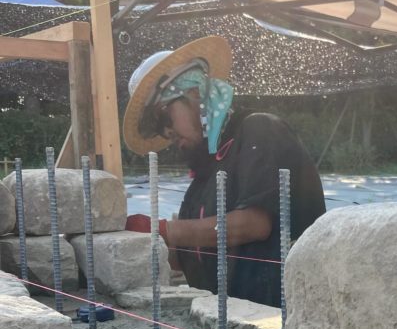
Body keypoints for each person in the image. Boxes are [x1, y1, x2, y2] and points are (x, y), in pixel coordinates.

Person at [123, 36, 326, 308]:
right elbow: (187, 253)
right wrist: (129, 245)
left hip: (279, 316)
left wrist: (163, 229)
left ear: (194, 93)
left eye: (164, 117)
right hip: (227, 320)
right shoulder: (204, 176)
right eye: (158, 127)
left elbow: (254, 223)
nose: (167, 132)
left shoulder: (259, 131)